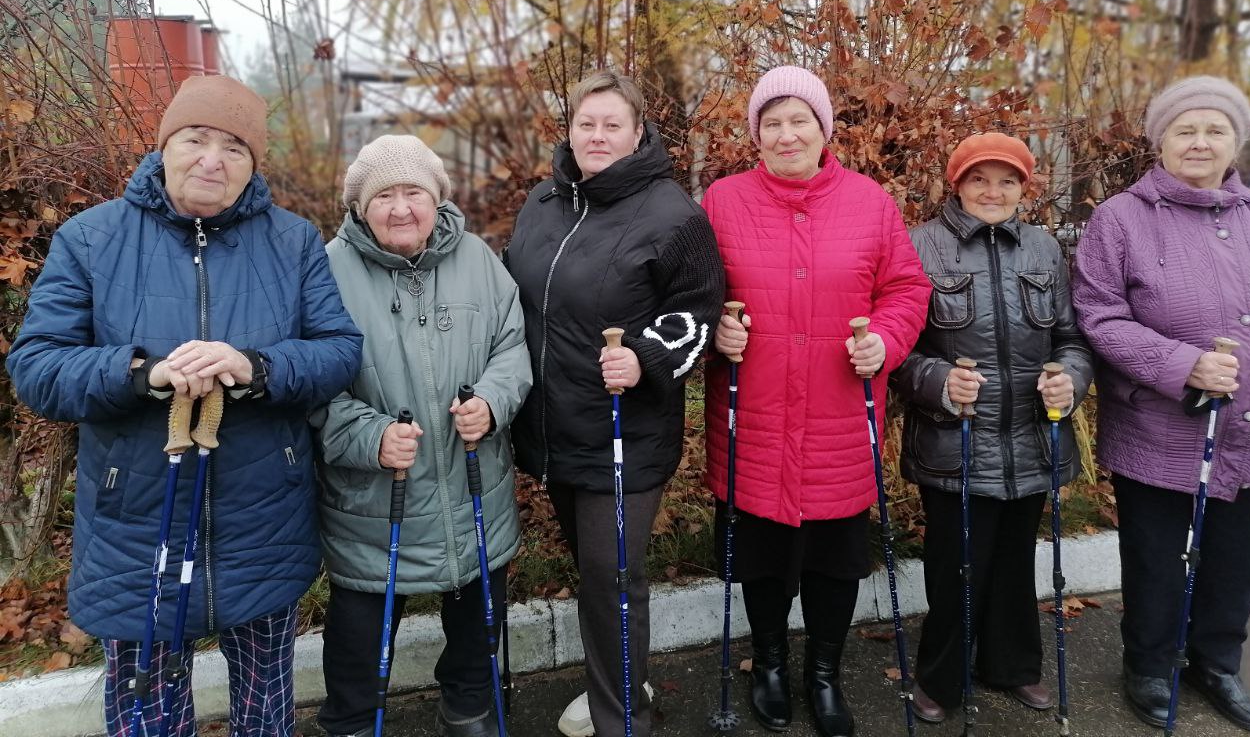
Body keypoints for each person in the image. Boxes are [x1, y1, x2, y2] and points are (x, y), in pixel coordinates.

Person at [6, 76, 363, 737]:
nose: (212, 160)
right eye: (196, 139)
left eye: (234, 148)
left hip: (263, 518)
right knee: (147, 709)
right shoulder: (92, 239)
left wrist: (255, 367)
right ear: (164, 145)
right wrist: (145, 373)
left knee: (265, 705)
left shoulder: (292, 242)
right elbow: (36, 368)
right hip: (136, 524)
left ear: (253, 164)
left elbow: (340, 351)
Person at [703, 65, 931, 737]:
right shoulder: (722, 200)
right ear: (756, 135)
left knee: (835, 561)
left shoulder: (870, 202)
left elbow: (906, 289)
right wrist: (716, 330)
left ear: (824, 128)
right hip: (755, 417)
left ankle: (824, 673)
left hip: (839, 416)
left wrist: (885, 341)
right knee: (760, 559)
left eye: (799, 119)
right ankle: (770, 666)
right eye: (771, 123)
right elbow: (690, 290)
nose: (786, 134)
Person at [504, 70, 724, 737]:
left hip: (625, 432)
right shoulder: (545, 201)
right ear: (569, 129)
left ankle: (623, 716)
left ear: (637, 133)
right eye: (586, 123)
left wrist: (646, 355)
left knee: (611, 579)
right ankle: (622, 679)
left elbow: (697, 315)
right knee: (599, 576)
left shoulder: (672, 215)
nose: (597, 136)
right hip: (553, 427)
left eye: (612, 125)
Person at [1073, 75, 1250, 733]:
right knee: (1157, 561)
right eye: (1184, 130)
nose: (1199, 142)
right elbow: (1099, 316)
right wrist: (1184, 365)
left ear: (1235, 142)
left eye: (1215, 130)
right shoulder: (1121, 219)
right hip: (1158, 431)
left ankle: (1217, 664)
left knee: (1239, 560)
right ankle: (1150, 664)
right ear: (1160, 141)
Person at [313, 135, 532, 737]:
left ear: (437, 199)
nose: (402, 208)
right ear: (360, 207)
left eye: (414, 193)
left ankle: (468, 705)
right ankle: (352, 721)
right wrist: (370, 436)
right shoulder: (326, 271)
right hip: (374, 503)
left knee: (477, 622)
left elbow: (512, 346)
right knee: (360, 637)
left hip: (472, 488)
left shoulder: (477, 260)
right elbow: (310, 386)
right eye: (384, 196)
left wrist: (491, 401)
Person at [891, 133, 1093, 723]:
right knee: (956, 568)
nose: (992, 191)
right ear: (956, 184)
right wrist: (937, 381)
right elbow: (898, 348)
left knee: (1013, 564)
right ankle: (941, 678)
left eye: (1007, 181)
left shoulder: (1043, 247)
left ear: (1024, 188)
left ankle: (1012, 667)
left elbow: (1071, 340)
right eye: (979, 179)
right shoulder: (920, 245)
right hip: (954, 442)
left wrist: (1071, 381)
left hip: (1030, 439)